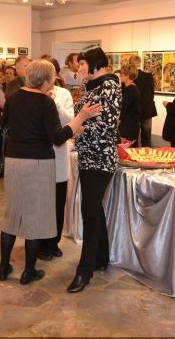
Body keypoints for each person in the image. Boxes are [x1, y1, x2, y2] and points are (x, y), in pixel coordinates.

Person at [0, 59, 100, 285]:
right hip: (38, 164)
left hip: (13, 161)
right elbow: (57, 137)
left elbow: (4, 125)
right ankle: (29, 271)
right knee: (35, 219)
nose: (53, 81)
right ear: (45, 80)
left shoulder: (13, 97)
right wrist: (79, 121)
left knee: (11, 215)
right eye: (52, 77)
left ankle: (3, 267)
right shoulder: (45, 102)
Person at [67, 45, 121, 294]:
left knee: (89, 211)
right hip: (87, 156)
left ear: (94, 64)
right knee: (93, 208)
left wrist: (79, 127)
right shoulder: (89, 86)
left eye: (82, 63)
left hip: (101, 158)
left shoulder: (110, 85)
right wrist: (80, 122)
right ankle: (101, 257)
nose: (79, 68)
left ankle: (84, 270)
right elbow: (80, 114)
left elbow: (107, 125)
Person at [39, 83, 75, 260]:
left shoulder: (63, 93)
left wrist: (55, 102)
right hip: (39, 156)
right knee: (42, 204)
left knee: (58, 203)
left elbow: (70, 121)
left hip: (59, 155)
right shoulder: (34, 92)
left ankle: (54, 242)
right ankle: (40, 244)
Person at [131, 55, 157, 147]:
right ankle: (146, 154)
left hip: (134, 111)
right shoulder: (148, 76)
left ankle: (134, 155)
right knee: (146, 137)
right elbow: (152, 93)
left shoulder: (130, 77)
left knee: (133, 137)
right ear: (140, 63)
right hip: (147, 110)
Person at [118, 64, 141, 145]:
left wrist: (117, 122)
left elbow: (123, 109)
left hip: (128, 126)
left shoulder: (130, 90)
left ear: (127, 76)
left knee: (126, 149)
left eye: (121, 74)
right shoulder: (131, 88)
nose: (120, 76)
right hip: (131, 124)